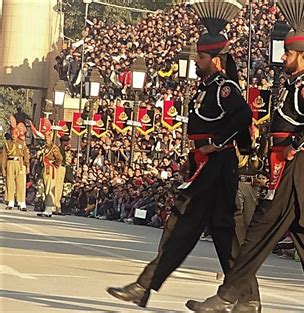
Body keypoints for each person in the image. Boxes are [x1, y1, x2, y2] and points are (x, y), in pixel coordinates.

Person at [185, 1, 304, 312]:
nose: (284, 57)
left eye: (289, 53)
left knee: (256, 236)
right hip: (296, 173)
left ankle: (228, 297)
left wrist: (298, 143)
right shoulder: (294, 86)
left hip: (295, 170)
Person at [106, 1, 260, 310]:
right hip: (206, 165)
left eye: (201, 56)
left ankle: (145, 286)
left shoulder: (224, 87)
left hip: (217, 167)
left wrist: (217, 142)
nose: (197, 61)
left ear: (216, 60)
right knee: (214, 232)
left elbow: (243, 116)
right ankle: (246, 300)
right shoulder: (207, 87)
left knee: (191, 226)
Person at [2, 119, 30, 211]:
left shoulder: (22, 143)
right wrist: (3, 168)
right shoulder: (7, 143)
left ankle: (21, 203)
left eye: (15, 133)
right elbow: (4, 157)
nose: (14, 135)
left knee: (21, 183)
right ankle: (10, 202)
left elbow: (26, 155)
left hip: (20, 163)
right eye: (12, 133)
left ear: (18, 134)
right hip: (10, 162)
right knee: (10, 183)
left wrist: (27, 166)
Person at [37, 122, 63, 217]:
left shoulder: (54, 148)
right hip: (45, 169)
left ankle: (49, 209)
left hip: (50, 169)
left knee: (49, 188)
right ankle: (46, 208)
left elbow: (59, 158)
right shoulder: (45, 147)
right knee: (45, 189)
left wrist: (55, 166)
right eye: (46, 137)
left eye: (48, 137)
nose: (46, 139)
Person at [53, 135, 70, 215]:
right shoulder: (59, 149)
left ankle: (57, 205)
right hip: (59, 168)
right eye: (66, 141)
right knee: (56, 187)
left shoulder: (66, 150)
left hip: (63, 168)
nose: (67, 143)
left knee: (60, 188)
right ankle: (54, 205)